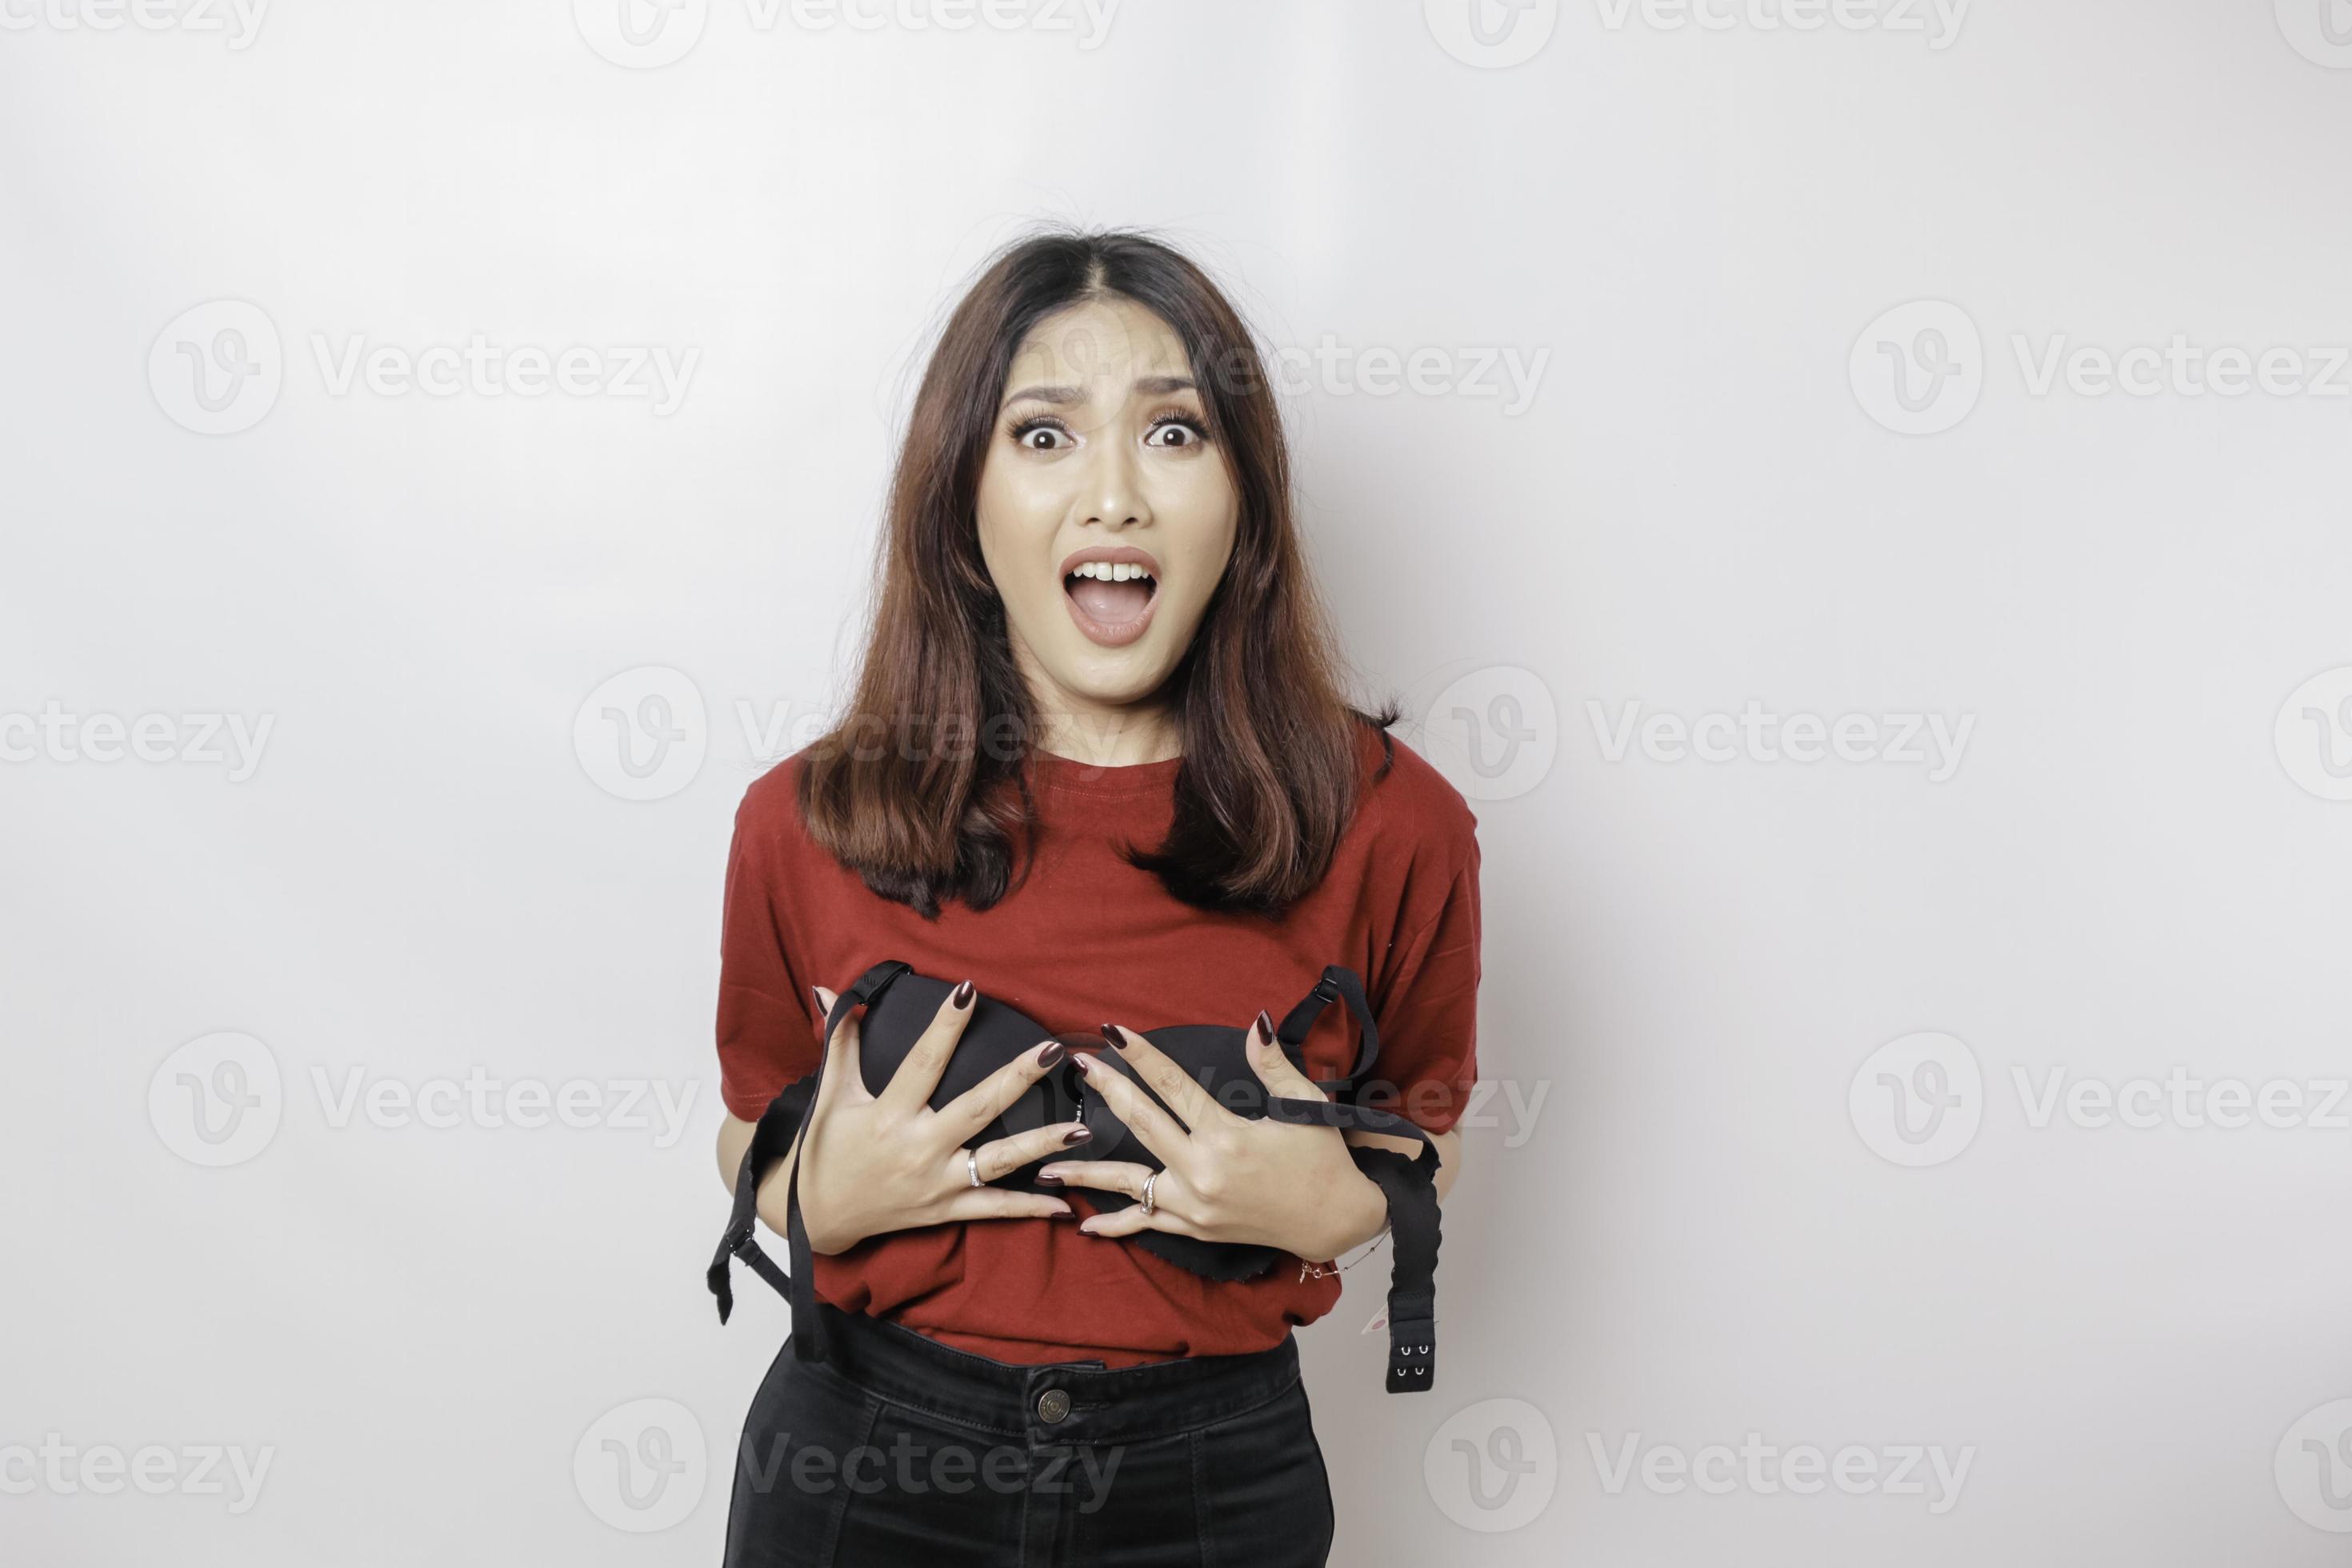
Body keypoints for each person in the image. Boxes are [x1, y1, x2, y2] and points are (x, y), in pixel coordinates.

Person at [711, 226, 1482, 1566]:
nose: (1113, 496)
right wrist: (814, 1195)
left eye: (1175, 434)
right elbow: (745, 1123)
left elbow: (1429, 1125)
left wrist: (1329, 1210)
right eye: (1045, 435)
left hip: (1213, 1484)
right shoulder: (805, 821)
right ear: (963, 504)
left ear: (1243, 499)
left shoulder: (1396, 826)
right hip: (858, 1467)